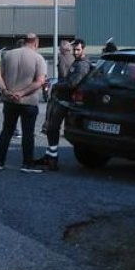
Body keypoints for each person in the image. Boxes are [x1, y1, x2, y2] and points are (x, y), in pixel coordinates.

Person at [0, 32, 47, 173]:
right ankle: (27, 164)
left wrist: (4, 90)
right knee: (28, 133)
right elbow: (40, 81)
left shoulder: (8, 55)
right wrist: (22, 93)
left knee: (7, 131)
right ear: (36, 42)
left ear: (24, 41)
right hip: (28, 101)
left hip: (9, 99)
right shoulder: (38, 58)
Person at [37, 38, 92, 171]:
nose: (75, 52)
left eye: (78, 49)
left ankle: (52, 159)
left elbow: (72, 83)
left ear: (83, 49)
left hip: (66, 101)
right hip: (62, 99)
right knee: (51, 129)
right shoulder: (77, 62)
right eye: (74, 49)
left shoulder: (82, 65)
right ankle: (50, 156)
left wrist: (56, 85)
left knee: (53, 128)